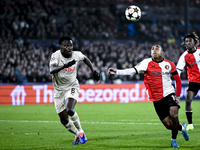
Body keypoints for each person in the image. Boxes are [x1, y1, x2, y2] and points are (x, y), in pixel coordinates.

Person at [108, 45, 189, 148]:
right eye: (152, 49)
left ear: (162, 52)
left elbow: (178, 80)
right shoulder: (146, 63)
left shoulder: (169, 64)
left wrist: (177, 95)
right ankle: (182, 128)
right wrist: (117, 72)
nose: (154, 50)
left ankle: (173, 140)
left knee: (174, 115)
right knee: (169, 125)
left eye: (157, 49)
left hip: (169, 94)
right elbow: (132, 70)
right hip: (156, 98)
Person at [49, 35, 100, 145]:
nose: (69, 48)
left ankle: (81, 132)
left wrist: (93, 71)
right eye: (66, 46)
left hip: (72, 86)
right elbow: (51, 70)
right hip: (58, 90)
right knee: (63, 119)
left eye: (70, 45)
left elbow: (85, 59)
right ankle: (77, 134)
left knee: (70, 110)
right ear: (61, 47)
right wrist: (65, 65)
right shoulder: (56, 55)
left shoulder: (77, 54)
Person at [176, 32, 200, 131]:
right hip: (194, 81)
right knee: (188, 99)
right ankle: (190, 124)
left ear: (195, 42)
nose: (188, 42)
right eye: (186, 41)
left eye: (190, 40)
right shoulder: (184, 56)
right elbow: (178, 72)